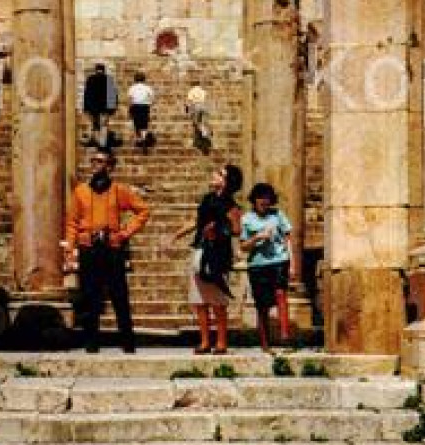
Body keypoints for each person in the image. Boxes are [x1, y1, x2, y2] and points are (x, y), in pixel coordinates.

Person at [64, 147, 149, 353]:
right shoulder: (81, 191)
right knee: (90, 296)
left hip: (112, 247)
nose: (95, 165)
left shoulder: (119, 191)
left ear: (110, 166)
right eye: (93, 161)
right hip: (89, 247)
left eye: (100, 161)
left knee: (119, 295)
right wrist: (70, 247)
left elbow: (143, 210)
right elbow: (72, 222)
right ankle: (91, 342)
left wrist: (125, 233)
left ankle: (128, 343)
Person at [172, 163, 242, 355]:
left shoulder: (231, 205)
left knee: (218, 301)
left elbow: (236, 229)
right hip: (201, 250)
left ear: (227, 182)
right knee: (199, 300)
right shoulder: (207, 199)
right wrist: (177, 234)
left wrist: (217, 231)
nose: (214, 174)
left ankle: (221, 342)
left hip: (218, 254)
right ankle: (204, 341)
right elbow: (197, 222)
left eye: (220, 173)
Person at [241, 182, 297, 351]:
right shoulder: (247, 219)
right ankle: (265, 342)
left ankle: (285, 334)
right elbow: (243, 246)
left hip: (279, 260)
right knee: (262, 304)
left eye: (267, 199)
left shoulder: (278, 215)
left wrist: (293, 264)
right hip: (258, 264)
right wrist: (258, 237)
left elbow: (288, 239)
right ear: (255, 200)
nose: (264, 202)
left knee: (281, 294)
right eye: (261, 199)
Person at [82, 63, 118, 147]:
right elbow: (112, 94)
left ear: (96, 70)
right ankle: (102, 142)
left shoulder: (90, 79)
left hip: (93, 106)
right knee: (104, 124)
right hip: (105, 106)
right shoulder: (109, 79)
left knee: (95, 124)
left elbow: (87, 94)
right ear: (104, 70)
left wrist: (86, 107)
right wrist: (113, 108)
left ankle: (97, 141)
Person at [127, 71, 155, 147]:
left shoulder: (132, 88)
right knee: (144, 124)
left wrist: (129, 109)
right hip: (145, 106)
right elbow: (152, 97)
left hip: (135, 106)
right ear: (144, 79)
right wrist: (150, 104)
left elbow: (130, 98)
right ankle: (144, 138)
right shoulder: (147, 87)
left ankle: (139, 139)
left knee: (136, 124)